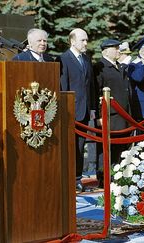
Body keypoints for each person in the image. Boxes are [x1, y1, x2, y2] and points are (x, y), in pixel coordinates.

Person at [59, 28, 96, 185]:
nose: (86, 43)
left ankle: (77, 178)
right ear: (72, 41)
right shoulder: (63, 59)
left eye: (86, 40)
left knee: (80, 147)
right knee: (69, 147)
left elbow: (91, 86)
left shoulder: (86, 59)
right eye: (83, 40)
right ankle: (67, 178)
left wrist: (93, 108)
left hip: (85, 111)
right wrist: (65, 109)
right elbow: (63, 86)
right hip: (70, 111)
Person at [94, 39, 130, 172]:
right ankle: (105, 176)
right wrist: (99, 116)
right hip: (110, 115)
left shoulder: (120, 67)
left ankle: (118, 175)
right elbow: (97, 92)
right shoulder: (100, 67)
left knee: (121, 148)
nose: (118, 50)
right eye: (115, 48)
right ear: (106, 51)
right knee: (107, 149)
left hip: (123, 115)